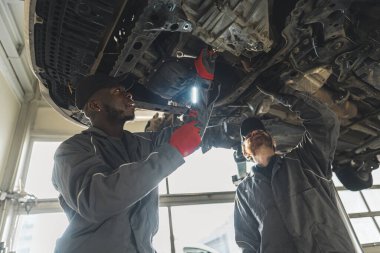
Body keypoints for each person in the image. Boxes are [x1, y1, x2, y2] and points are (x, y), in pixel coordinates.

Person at [52, 49, 216, 253]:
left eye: (126, 92)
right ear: (95, 105)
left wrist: (203, 80)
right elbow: (95, 201)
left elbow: (194, 128)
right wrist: (172, 151)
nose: (129, 95)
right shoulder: (71, 150)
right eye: (116, 91)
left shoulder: (144, 143)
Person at [234, 89, 355, 253]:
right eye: (249, 136)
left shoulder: (305, 160)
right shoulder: (244, 192)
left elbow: (325, 123)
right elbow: (248, 243)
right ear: (245, 153)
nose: (255, 133)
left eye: (260, 131)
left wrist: (281, 90)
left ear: (274, 141)